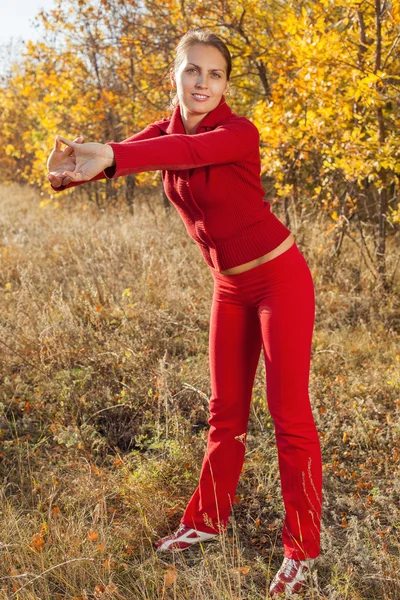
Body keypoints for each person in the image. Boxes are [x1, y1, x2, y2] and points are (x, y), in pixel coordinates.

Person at [47, 28, 323, 597]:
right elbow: (137, 149)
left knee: (288, 415)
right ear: (174, 74)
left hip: (279, 280)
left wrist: (113, 157)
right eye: (193, 70)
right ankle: (205, 522)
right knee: (226, 413)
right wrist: (77, 168)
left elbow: (180, 155)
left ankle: (303, 549)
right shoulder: (167, 125)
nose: (203, 83)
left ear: (225, 84)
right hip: (229, 288)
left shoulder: (237, 132)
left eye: (215, 74)